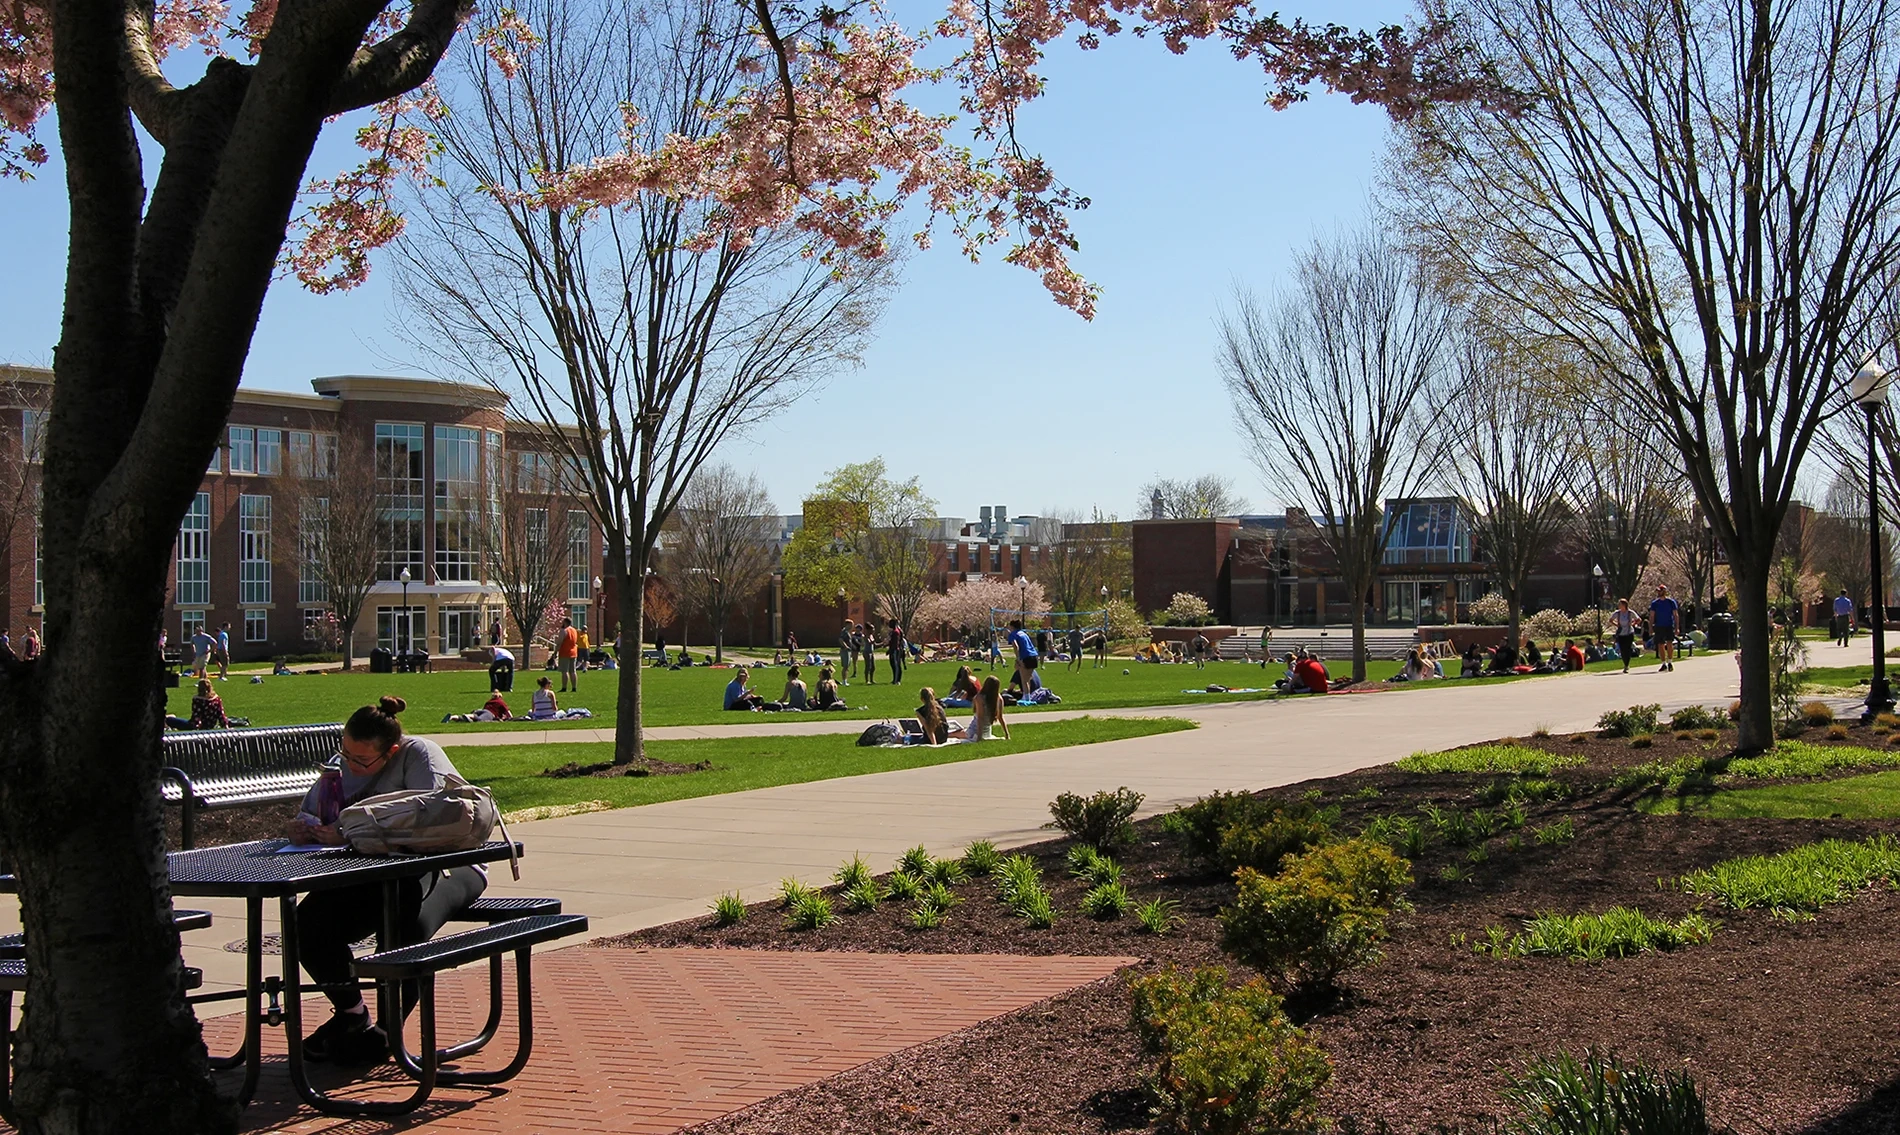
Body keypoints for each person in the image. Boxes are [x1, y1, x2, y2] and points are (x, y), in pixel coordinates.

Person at [287, 696, 488, 1064]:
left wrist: (351, 832)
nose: (350, 764)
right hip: (372, 872)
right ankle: (352, 1015)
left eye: (361, 759)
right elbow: (316, 810)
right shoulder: (342, 764)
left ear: (391, 751)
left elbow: (438, 820)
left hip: (447, 865)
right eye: (345, 753)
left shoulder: (420, 755)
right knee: (307, 924)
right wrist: (305, 828)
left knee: (404, 924)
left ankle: (386, 1031)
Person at [965, 675, 1010, 741]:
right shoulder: (998, 698)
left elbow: (980, 718)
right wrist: (1007, 735)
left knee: (954, 733)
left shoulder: (980, 698)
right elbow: (1000, 717)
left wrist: (979, 737)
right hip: (987, 732)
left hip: (974, 731)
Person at [1649, 585, 1680, 672]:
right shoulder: (1655, 603)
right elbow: (1652, 615)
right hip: (1659, 626)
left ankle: (1670, 661)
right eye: (1658, 591)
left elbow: (1675, 614)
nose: (1658, 593)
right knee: (1660, 644)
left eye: (1660, 591)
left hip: (1669, 625)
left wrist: (1677, 627)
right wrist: (1650, 627)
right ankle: (1663, 663)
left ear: (1664, 591)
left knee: (1669, 643)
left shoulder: (1671, 602)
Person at [1007, 618, 1038, 695]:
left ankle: (1027, 698)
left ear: (1012, 627)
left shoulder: (1013, 634)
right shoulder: (1024, 633)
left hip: (1025, 657)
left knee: (1024, 680)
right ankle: (1029, 696)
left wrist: (1018, 659)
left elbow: (1016, 646)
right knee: (1028, 679)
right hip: (1034, 656)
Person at [1609, 598, 1639, 673]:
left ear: (1624, 605)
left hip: (1629, 632)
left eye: (1620, 604)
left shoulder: (1630, 612)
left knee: (1628, 649)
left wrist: (1632, 624)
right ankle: (1625, 663)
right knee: (1622, 649)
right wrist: (1617, 625)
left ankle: (1627, 664)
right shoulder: (1617, 613)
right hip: (1621, 633)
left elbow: (1638, 619)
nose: (1619, 606)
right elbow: (1611, 620)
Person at [444, 692, 512, 723]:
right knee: (480, 720)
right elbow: (508, 712)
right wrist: (511, 718)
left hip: (481, 710)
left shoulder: (488, 702)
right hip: (489, 713)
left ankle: (451, 717)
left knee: (471, 717)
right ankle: (467, 717)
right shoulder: (500, 702)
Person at [556, 617, 580, 691]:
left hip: (565, 652)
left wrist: (555, 652)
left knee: (564, 671)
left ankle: (564, 687)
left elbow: (560, 642)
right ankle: (574, 687)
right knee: (573, 671)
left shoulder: (564, 631)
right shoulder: (574, 630)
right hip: (574, 652)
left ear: (565, 622)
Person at [886, 619, 907, 685]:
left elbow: (896, 643)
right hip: (894, 649)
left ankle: (897, 680)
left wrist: (891, 650)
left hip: (895, 650)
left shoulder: (896, 632)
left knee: (896, 665)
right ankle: (895, 678)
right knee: (893, 665)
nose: (889, 625)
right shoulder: (894, 631)